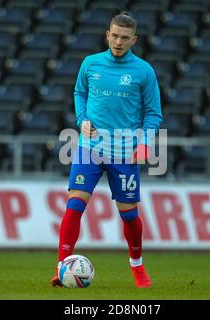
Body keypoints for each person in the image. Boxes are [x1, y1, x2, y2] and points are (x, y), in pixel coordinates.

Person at [51, 11, 162, 288]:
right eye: (114, 36)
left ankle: (136, 265)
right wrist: (82, 120)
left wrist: (146, 142)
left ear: (134, 40)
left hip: (125, 152)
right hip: (90, 147)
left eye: (125, 38)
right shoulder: (90, 64)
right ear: (107, 35)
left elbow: (153, 113)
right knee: (75, 203)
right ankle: (62, 266)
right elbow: (79, 93)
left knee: (130, 215)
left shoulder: (144, 71)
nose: (118, 42)